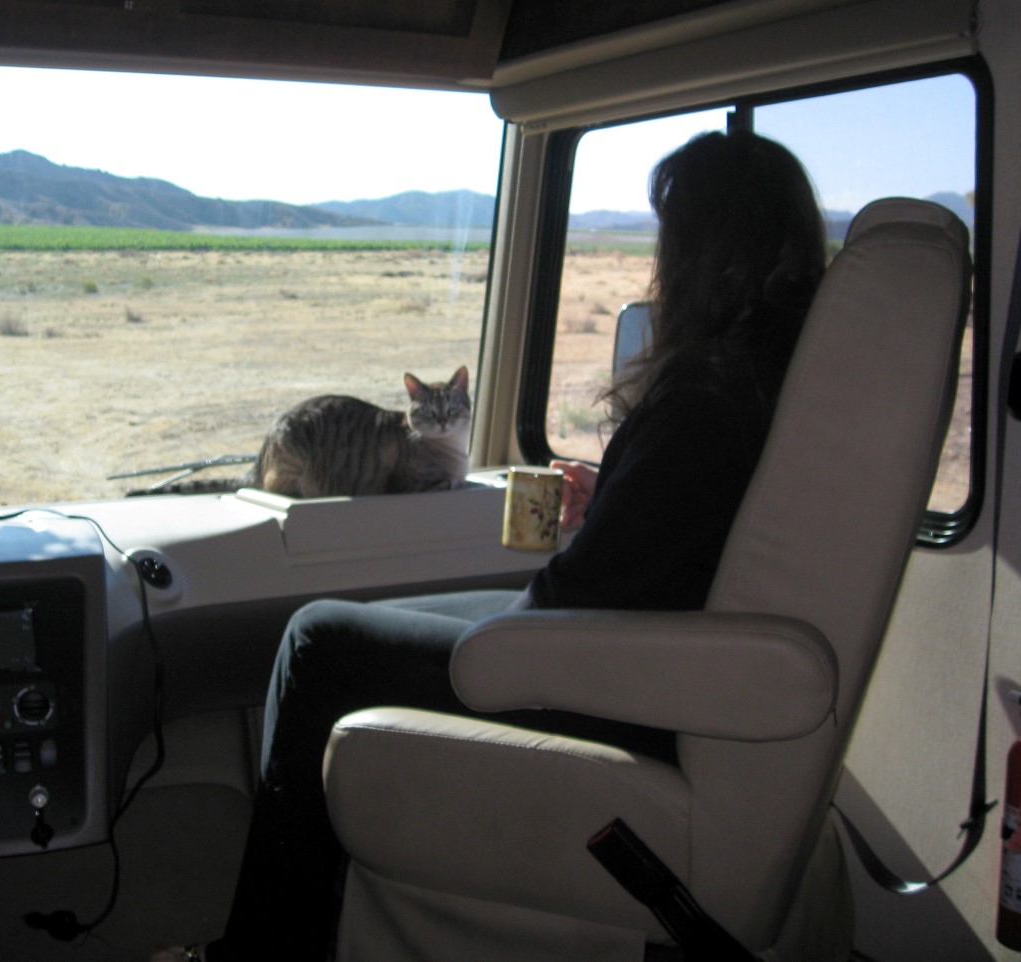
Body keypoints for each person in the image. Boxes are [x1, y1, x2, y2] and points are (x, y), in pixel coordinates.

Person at [165, 129, 826, 961]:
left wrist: (512, 630)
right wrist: (617, 494)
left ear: (704, 252)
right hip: (645, 650)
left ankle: (265, 949)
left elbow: (580, 592)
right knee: (361, 625)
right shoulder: (767, 374)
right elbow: (677, 532)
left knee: (316, 640)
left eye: (671, 236)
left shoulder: (705, 391)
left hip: (604, 668)